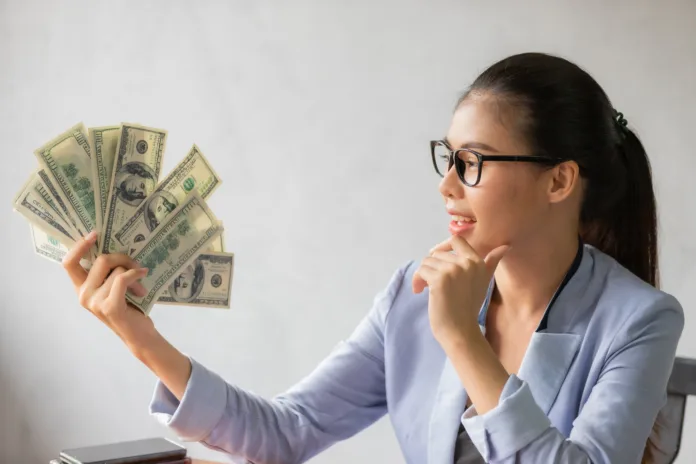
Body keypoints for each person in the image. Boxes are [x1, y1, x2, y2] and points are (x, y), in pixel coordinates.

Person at [62, 52, 684, 463]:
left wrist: (462, 341)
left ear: (559, 181)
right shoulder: (410, 295)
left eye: (473, 162)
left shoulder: (640, 320)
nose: (447, 186)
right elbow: (286, 431)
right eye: (448, 159)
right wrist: (139, 336)